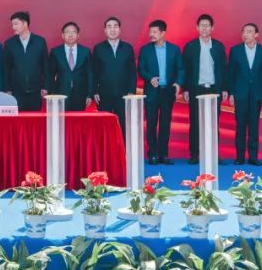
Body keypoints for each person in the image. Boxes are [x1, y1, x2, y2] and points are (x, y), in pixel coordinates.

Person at [183, 14, 228, 165]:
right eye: (202, 25)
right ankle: (194, 154)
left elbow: (224, 69)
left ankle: (214, 154)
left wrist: (224, 88)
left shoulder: (218, 46)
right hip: (196, 89)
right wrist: (185, 89)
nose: (204, 28)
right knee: (195, 123)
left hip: (214, 89)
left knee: (213, 123)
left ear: (212, 28)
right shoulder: (190, 46)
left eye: (207, 25)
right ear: (197, 28)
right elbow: (186, 69)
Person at [137, 19, 183, 165]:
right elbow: (141, 69)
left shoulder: (174, 50)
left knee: (165, 124)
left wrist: (178, 83)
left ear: (163, 33)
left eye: (154, 32)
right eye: (150, 32)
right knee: (151, 123)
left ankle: (164, 154)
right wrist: (150, 78)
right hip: (151, 92)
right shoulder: (145, 50)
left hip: (167, 92)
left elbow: (181, 69)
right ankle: (152, 154)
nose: (151, 34)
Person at [227, 23, 262, 166]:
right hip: (240, 94)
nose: (245, 34)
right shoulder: (235, 50)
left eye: (249, 31)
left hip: (257, 94)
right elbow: (231, 74)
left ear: (256, 35)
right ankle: (239, 157)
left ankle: (253, 157)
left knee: (254, 126)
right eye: (244, 31)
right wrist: (231, 93)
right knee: (240, 126)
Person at [91, 16, 136, 141]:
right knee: (104, 124)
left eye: (115, 26)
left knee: (123, 123)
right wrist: (95, 91)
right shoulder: (98, 48)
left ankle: (123, 149)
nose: (112, 29)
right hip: (104, 94)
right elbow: (94, 72)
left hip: (124, 94)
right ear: (105, 30)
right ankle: (105, 149)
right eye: (109, 27)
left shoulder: (127, 48)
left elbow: (132, 72)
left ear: (120, 30)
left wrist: (131, 91)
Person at [2, 11, 49, 111]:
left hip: (36, 91)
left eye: (16, 24)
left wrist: (45, 86)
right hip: (16, 91)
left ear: (25, 24)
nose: (13, 27)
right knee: (18, 118)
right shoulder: (9, 43)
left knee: (35, 118)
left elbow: (46, 65)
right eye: (12, 25)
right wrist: (7, 89)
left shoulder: (40, 41)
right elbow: (6, 68)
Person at [48, 21, 93, 112]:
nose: (71, 34)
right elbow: (50, 74)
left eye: (73, 32)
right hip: (61, 93)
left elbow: (90, 74)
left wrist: (89, 94)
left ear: (78, 35)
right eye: (67, 32)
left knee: (78, 119)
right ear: (62, 35)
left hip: (80, 93)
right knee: (62, 118)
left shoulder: (85, 51)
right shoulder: (55, 52)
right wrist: (51, 93)